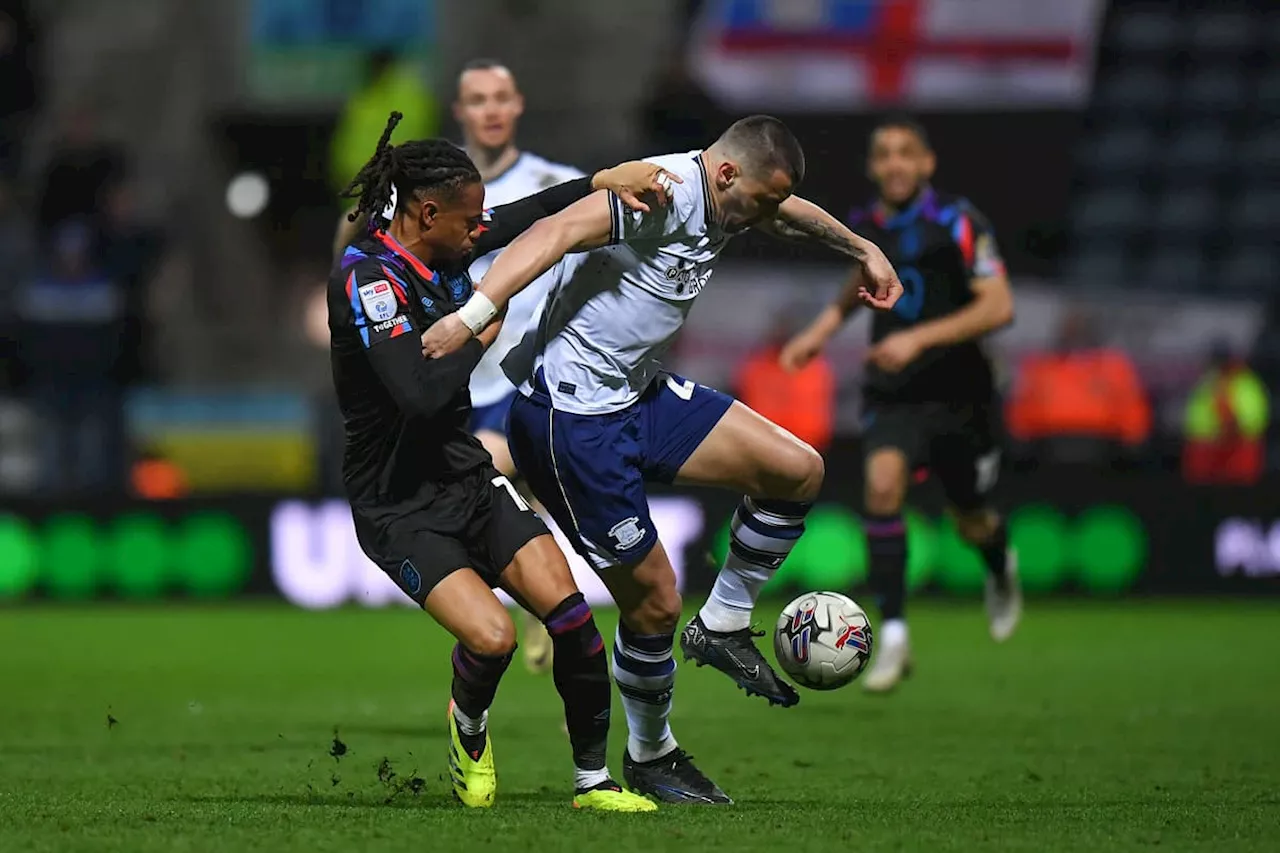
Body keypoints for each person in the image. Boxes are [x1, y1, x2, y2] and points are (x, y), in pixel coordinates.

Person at [421, 115, 902, 804]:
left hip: (638, 394)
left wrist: (862, 247)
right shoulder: (664, 189)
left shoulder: (735, 193)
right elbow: (552, 234)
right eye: (763, 201)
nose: (768, 218)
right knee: (654, 601)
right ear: (728, 174)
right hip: (571, 421)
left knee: (798, 469)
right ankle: (652, 753)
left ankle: (726, 623)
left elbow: (787, 209)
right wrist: (473, 316)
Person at [329, 111, 678, 812]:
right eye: (469, 219)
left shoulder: (447, 242)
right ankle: (468, 726)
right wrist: (481, 332)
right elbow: (420, 396)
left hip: (465, 474)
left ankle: (593, 783)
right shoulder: (368, 281)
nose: (480, 229)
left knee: (574, 619)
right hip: (396, 502)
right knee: (491, 639)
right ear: (427, 214)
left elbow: (534, 212)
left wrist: (602, 180)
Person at [780, 116, 1019, 694]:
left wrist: (918, 337)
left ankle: (996, 563)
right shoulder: (867, 226)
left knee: (971, 519)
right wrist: (824, 328)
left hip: (962, 395)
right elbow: (858, 282)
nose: (894, 164)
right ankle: (892, 637)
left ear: (927, 164)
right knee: (882, 490)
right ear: (873, 167)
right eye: (884, 155)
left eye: (905, 154)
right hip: (894, 393)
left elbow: (999, 308)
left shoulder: (958, 222)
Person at [454, 58, 586, 675]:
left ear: (518, 105)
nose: (490, 109)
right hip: (454, 379)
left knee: (486, 475)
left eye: (500, 96)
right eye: (477, 99)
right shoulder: (431, 190)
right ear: (460, 111)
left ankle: (552, 636)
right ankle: (546, 613)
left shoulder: (557, 183)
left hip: (529, 377)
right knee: (516, 509)